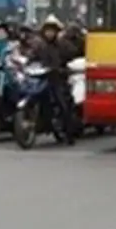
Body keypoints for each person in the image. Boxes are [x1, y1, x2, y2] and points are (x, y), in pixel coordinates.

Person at [29, 15, 78, 143]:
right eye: (47, 31)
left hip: (57, 79)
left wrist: (61, 68)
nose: (49, 33)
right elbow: (32, 57)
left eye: (52, 31)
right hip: (42, 78)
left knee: (62, 104)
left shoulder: (62, 44)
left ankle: (69, 134)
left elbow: (73, 53)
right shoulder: (40, 45)